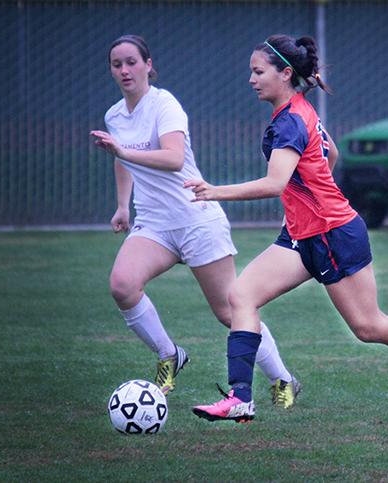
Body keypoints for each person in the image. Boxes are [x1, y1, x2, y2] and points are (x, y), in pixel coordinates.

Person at [186, 34, 388, 423]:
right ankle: (240, 397)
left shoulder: (291, 120)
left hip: (333, 234)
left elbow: (275, 182)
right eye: (251, 72)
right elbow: (330, 153)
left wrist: (214, 192)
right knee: (240, 295)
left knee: (368, 326)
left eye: (258, 71)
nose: (251, 79)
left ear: (285, 73)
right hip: (301, 233)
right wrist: (304, 199)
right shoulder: (298, 111)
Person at [90, 35, 301, 408]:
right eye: (116, 64)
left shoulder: (164, 104)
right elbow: (121, 160)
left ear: (148, 65)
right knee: (122, 285)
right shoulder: (114, 115)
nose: (124, 70)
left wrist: (122, 150)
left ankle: (282, 379)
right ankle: (169, 354)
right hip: (154, 223)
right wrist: (123, 206)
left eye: (131, 62)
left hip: (195, 216)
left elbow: (172, 158)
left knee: (230, 310)